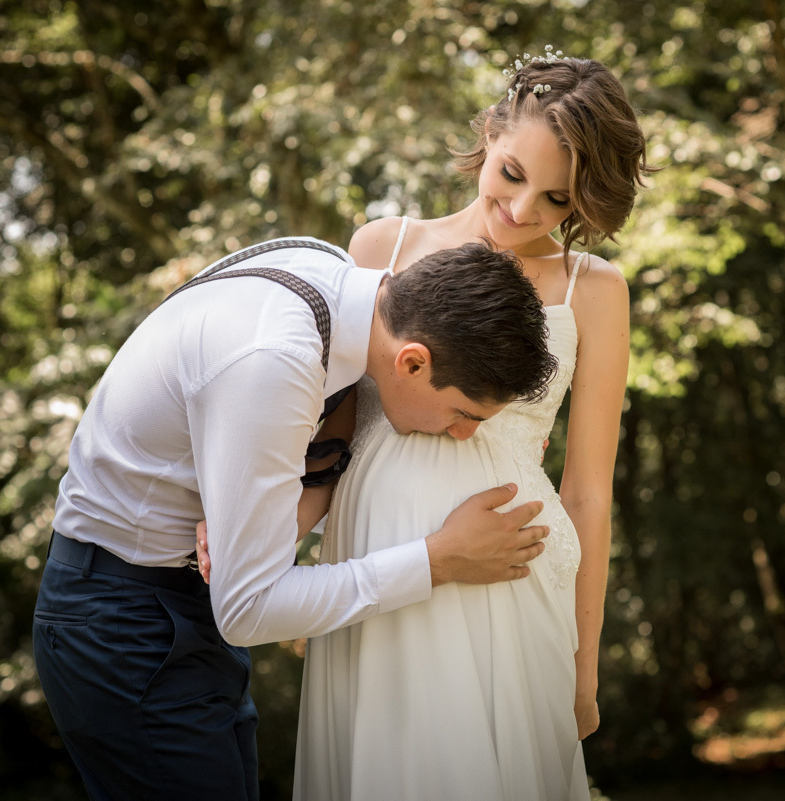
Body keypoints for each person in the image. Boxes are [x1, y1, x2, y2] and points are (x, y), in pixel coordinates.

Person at [202, 50, 653, 799]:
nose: (522, 211)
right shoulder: (384, 247)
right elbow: (330, 437)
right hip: (376, 558)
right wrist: (280, 547)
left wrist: (584, 663)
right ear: (491, 133)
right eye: (512, 175)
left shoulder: (595, 291)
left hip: (514, 567)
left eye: (557, 200)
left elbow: (587, 492)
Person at [32, 238, 559, 801]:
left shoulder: (330, 277)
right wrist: (437, 560)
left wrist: (262, 529)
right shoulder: (275, 359)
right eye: (464, 414)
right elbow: (248, 609)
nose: (465, 435)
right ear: (412, 361)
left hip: (173, 603)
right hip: (121, 624)